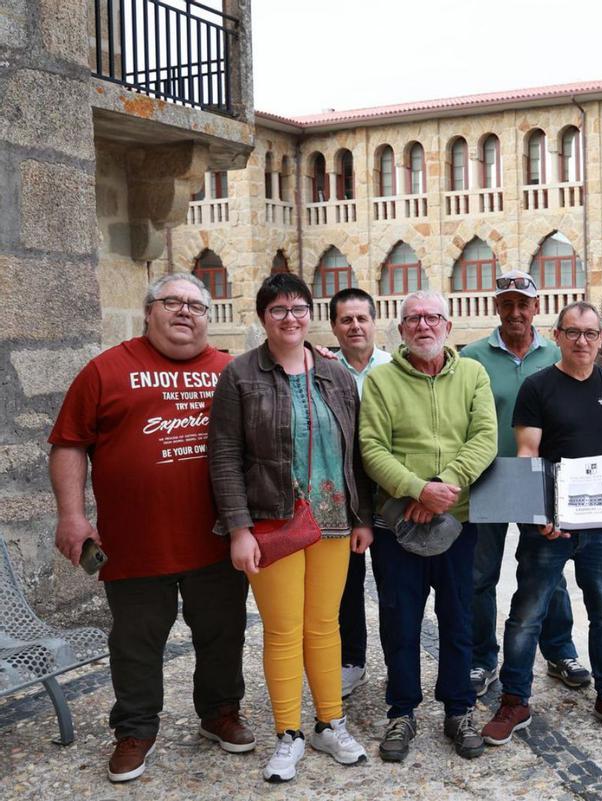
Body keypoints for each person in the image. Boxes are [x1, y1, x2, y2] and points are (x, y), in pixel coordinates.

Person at [48, 273, 253, 783]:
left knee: (223, 635)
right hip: (136, 544)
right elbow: (70, 443)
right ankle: (135, 731)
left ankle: (220, 713)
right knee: (136, 645)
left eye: (196, 305)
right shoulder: (106, 370)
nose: (185, 312)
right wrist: (72, 515)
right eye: (172, 302)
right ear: (148, 311)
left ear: (209, 316)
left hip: (216, 539)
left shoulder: (232, 371)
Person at [209, 273, 374, 783]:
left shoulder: (336, 373)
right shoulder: (240, 375)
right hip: (271, 520)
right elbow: (224, 457)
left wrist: (362, 517)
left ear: (311, 315)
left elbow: (356, 449)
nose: (290, 318)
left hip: (333, 519)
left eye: (299, 308)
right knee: (282, 630)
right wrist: (238, 528)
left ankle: (329, 722)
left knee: (325, 626)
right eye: (278, 309)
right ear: (262, 317)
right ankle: (289, 733)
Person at [482, 301, 602, 746]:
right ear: (556, 335)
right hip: (551, 527)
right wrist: (538, 516)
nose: (582, 341)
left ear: (600, 338)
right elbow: (526, 454)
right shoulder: (538, 388)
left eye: (590, 333)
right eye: (572, 332)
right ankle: (515, 700)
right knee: (526, 615)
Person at [358, 290, 498, 763]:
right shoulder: (380, 381)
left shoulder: (473, 375)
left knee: (459, 621)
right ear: (400, 330)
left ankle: (458, 709)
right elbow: (372, 448)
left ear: (447, 326)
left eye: (432, 317)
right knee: (400, 622)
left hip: (457, 525)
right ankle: (402, 710)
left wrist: (443, 486)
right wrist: (417, 490)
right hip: (397, 526)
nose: (423, 326)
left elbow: (484, 438)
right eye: (413, 319)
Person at [459, 270, 587, 699]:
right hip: (489, 477)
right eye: (507, 303)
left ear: (536, 307)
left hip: (544, 479)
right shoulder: (472, 356)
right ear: (497, 306)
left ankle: (560, 651)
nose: (516, 311)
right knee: (480, 576)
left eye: (523, 303)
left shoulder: (557, 352)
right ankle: (481, 659)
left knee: (549, 571)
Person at [328, 287, 392, 698]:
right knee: (344, 584)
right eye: (346, 320)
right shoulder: (321, 367)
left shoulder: (393, 367)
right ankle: (351, 661)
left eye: (361, 318)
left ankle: (397, 662)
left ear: (374, 322)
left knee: (393, 584)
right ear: (334, 326)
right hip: (340, 495)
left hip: (387, 491)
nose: (354, 326)